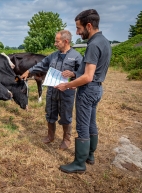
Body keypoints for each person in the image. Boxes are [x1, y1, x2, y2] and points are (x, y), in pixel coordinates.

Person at [55, 9, 112, 173]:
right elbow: (92, 71)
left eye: (79, 28)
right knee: (91, 123)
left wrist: (67, 85)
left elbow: (87, 77)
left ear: (89, 25)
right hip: (97, 89)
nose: (77, 32)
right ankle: (90, 155)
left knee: (82, 126)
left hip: (87, 91)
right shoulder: (104, 41)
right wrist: (74, 75)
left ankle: (79, 163)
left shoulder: (93, 44)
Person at [20, 30, 82, 150]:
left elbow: (83, 73)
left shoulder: (77, 57)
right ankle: (50, 136)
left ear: (66, 41)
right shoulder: (53, 56)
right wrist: (29, 71)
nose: (55, 43)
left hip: (67, 92)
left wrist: (74, 74)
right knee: (50, 113)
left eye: (57, 41)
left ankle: (66, 139)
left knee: (66, 115)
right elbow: (41, 64)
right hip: (52, 91)